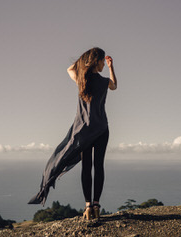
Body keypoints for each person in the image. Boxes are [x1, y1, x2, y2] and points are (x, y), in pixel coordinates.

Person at [28, 47, 117, 221]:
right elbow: (115, 86)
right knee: (98, 166)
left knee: (86, 167)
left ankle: (88, 207)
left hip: (83, 130)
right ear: (97, 61)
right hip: (101, 129)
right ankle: (97, 206)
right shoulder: (104, 81)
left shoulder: (81, 80)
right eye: (101, 63)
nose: (103, 66)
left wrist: (84, 61)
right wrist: (111, 66)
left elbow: (69, 68)